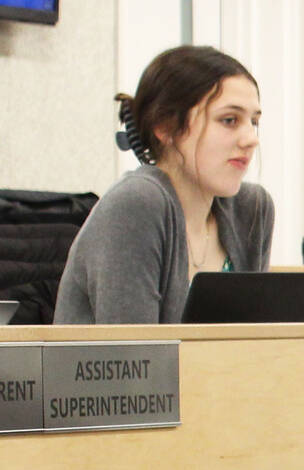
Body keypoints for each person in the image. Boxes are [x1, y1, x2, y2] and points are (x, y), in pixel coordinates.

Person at [53, 45, 272, 326]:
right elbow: (134, 362)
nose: (250, 138)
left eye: (253, 121)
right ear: (166, 127)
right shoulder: (137, 204)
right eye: (229, 120)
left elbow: (255, 345)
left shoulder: (252, 208)